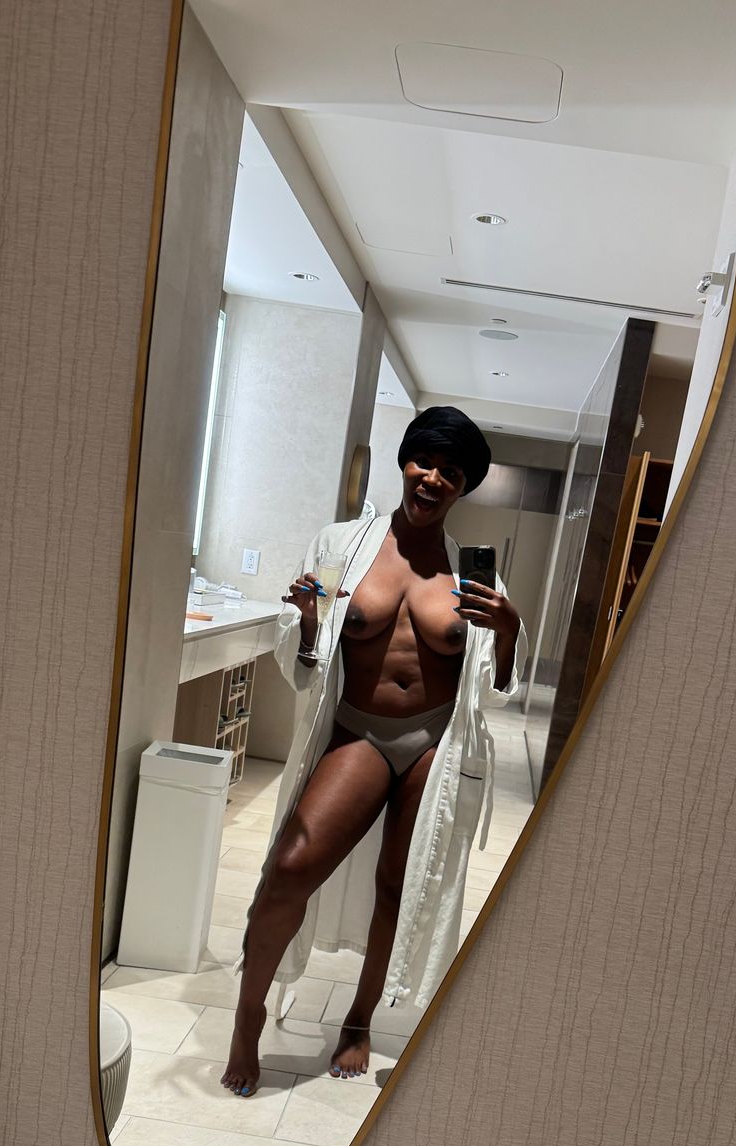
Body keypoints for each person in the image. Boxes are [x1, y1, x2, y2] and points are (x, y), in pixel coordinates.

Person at [221, 407, 528, 1096]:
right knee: (289, 869)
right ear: (405, 462)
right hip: (359, 731)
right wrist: (307, 624)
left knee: (398, 883)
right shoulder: (342, 545)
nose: (433, 478)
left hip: (432, 741)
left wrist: (507, 631)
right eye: (425, 462)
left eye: (451, 472)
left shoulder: (472, 577)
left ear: (464, 487)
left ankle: (359, 1021)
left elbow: (494, 690)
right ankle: (247, 1016)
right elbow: (304, 664)